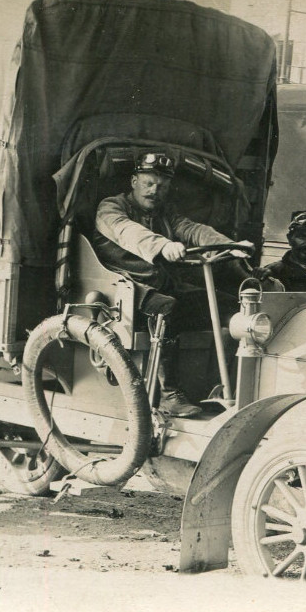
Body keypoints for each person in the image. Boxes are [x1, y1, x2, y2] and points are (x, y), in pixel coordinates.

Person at [92, 152, 256, 417]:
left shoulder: (165, 213)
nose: (155, 191)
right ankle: (169, 395)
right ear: (134, 181)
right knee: (166, 308)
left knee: (231, 308)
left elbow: (192, 229)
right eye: (148, 183)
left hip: (162, 284)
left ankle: (223, 386)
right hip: (126, 289)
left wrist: (229, 245)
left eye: (162, 186)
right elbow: (126, 231)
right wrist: (163, 246)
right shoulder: (111, 207)